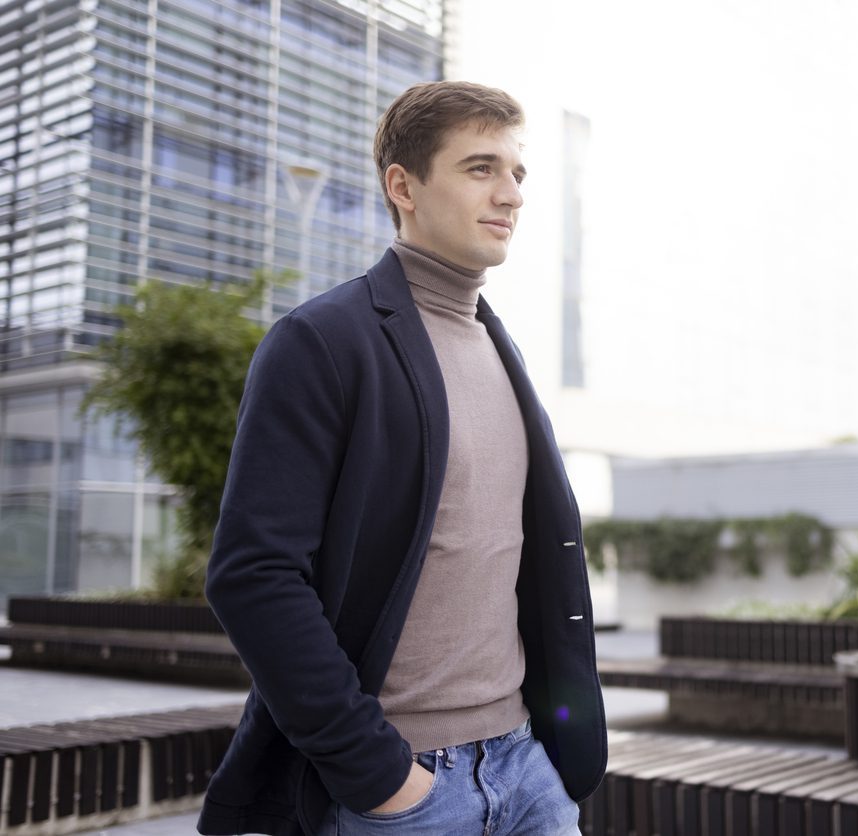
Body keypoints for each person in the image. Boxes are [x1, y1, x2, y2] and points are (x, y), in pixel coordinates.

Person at [196, 80, 607, 836]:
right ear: (403, 186)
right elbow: (252, 575)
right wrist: (381, 775)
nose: (511, 194)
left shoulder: (496, 344)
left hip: (526, 770)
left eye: (518, 173)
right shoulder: (322, 341)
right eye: (481, 168)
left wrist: (549, 753)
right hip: (404, 790)